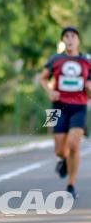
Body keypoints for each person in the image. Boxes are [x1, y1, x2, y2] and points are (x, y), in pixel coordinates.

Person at [39, 26, 91, 200]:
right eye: (66, 36)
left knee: (74, 145)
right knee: (60, 150)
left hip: (79, 107)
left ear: (78, 40)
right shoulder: (56, 59)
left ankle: (71, 185)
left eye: (73, 36)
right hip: (57, 107)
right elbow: (42, 78)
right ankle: (63, 160)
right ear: (63, 41)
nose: (70, 39)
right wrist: (49, 91)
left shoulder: (86, 61)